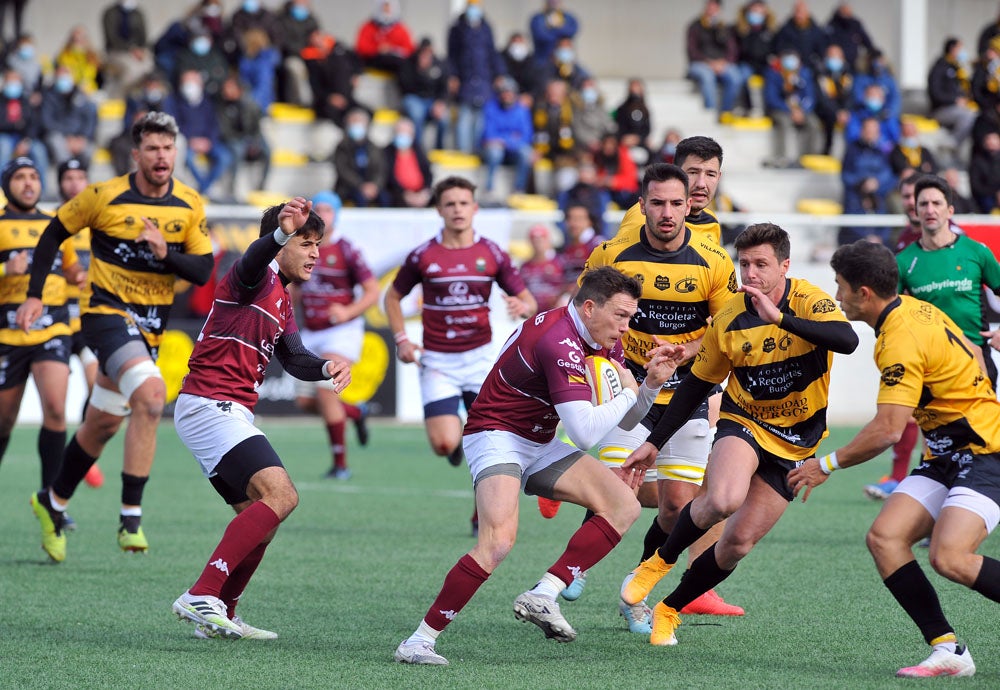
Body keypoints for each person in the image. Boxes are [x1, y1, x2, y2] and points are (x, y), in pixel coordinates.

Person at [393, 266, 685, 666]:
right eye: (620, 315)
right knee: (497, 542)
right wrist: (632, 390)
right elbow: (584, 433)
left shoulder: (603, 339)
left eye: (630, 317)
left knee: (623, 505)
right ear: (588, 307)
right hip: (496, 434)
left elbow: (627, 420)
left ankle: (544, 594)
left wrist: (651, 385)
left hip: (538, 439)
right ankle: (418, 642)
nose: (625, 327)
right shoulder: (558, 340)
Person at [620, 222, 859, 646]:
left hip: (797, 441)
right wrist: (654, 442)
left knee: (738, 544)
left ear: (785, 265)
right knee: (724, 498)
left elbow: (847, 340)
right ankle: (660, 560)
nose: (751, 274)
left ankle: (669, 609)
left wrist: (781, 318)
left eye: (761, 264)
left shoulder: (808, 300)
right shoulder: (729, 315)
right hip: (744, 421)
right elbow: (695, 383)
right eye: (744, 263)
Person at [788, 240, 1000, 678]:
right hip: (945, 454)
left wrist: (824, 465)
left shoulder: (898, 338)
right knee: (885, 538)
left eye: (840, 286)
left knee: (950, 557)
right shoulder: (913, 308)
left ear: (864, 293)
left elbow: (886, 430)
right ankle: (949, 651)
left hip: (986, 453)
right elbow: (975, 352)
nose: (835, 296)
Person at [21, 111, 214, 562]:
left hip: (150, 324)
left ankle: (51, 503)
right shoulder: (103, 195)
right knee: (151, 396)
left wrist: (166, 255)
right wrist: (34, 295)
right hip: (104, 314)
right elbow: (52, 233)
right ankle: (130, 516)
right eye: (153, 148)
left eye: (168, 148)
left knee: (103, 422)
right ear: (136, 154)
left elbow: (203, 271)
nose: (162, 156)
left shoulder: (188, 204)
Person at [172, 198, 353, 640]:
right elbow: (254, 257)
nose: (315, 253)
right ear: (280, 244)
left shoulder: (283, 299)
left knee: (261, 517)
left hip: (223, 409)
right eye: (305, 243)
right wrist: (274, 235)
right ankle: (202, 592)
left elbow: (294, 358)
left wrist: (326, 367)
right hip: (210, 404)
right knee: (282, 496)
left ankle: (222, 615)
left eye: (317, 244)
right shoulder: (249, 276)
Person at [582, 162, 742, 633]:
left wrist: (688, 350)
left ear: (688, 204)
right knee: (616, 490)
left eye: (676, 203)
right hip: (630, 387)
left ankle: (636, 588)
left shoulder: (713, 261)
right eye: (658, 203)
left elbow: (726, 327)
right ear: (643, 204)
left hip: (689, 390)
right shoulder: (613, 256)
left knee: (678, 508)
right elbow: (585, 317)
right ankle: (563, 573)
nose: (668, 212)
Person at [384, 176, 537, 533]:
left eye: (463, 203)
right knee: (444, 443)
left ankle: (478, 513)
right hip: (438, 361)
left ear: (474, 208)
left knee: (489, 439)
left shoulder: (492, 253)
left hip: (482, 359)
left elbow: (528, 300)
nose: (457, 210)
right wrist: (402, 339)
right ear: (439, 210)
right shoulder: (424, 255)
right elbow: (391, 297)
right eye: (450, 204)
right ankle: (456, 445)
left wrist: (521, 304)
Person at [0, 158, 82, 522]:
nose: (29, 183)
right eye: (20, 177)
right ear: (7, 184)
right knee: (3, 421)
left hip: (53, 327)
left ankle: (52, 503)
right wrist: (6, 269)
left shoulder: (54, 222)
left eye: (34, 176)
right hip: (8, 332)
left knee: (54, 407)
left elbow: (68, 267)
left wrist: (77, 274)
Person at [294, 191, 379, 479]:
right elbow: (294, 287)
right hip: (311, 331)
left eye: (329, 210)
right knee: (305, 403)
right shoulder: (302, 246)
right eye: (319, 209)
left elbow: (372, 292)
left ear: (337, 215)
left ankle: (340, 465)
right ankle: (355, 413)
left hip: (341, 332)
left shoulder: (347, 250)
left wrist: (347, 312)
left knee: (325, 387)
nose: (323, 214)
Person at [898, 175, 1000, 388]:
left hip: (977, 362)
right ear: (915, 211)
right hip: (930, 368)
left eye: (937, 203)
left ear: (950, 210)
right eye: (923, 204)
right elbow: (889, 315)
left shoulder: (976, 251)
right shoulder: (902, 261)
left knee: (983, 423)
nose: (930, 210)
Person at [57, 158, 104, 490]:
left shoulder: (98, 224)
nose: (74, 183)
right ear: (60, 183)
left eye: (80, 177)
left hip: (88, 321)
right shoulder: (54, 222)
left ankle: (81, 453)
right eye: (68, 177)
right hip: (57, 319)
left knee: (95, 388)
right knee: (54, 404)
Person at [616, 135, 726, 246]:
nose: (701, 184)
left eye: (710, 174)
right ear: (675, 172)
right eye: (693, 172)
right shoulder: (643, 216)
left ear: (718, 177)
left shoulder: (712, 222)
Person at [446, 0, 506, 153]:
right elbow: (452, 56)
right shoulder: (457, 28)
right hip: (465, 79)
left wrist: (499, 74)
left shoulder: (486, 28)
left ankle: (476, 152)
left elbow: (492, 53)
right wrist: (453, 75)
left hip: (483, 80)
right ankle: (464, 153)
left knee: (480, 121)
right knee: (464, 119)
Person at [839, 116, 896, 245]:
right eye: (867, 129)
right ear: (861, 130)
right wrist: (862, 183)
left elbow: (890, 175)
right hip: (855, 198)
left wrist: (877, 183)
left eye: (874, 130)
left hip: (879, 196)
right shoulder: (852, 150)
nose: (870, 133)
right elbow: (845, 175)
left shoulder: (885, 151)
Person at [763, 48, 822, 169]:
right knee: (784, 122)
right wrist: (789, 110)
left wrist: (802, 111)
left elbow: (810, 96)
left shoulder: (804, 73)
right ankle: (782, 158)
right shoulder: (773, 73)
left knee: (814, 124)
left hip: (801, 110)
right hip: (780, 109)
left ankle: (807, 158)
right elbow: (772, 98)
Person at [685, 0, 744, 120]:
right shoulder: (695, 26)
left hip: (722, 64)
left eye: (715, 8)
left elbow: (732, 49)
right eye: (709, 7)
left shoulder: (724, 28)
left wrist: (723, 62)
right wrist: (709, 63)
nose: (711, 10)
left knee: (736, 77)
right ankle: (710, 114)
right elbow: (692, 51)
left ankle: (726, 112)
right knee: (707, 76)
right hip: (701, 64)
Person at [481, 76, 534, 196]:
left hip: (512, 149)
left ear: (515, 94)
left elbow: (526, 136)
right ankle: (489, 188)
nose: (506, 96)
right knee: (495, 152)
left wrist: (505, 141)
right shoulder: (490, 108)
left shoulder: (522, 110)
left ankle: (518, 189)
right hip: (494, 149)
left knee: (526, 153)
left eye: (509, 93)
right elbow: (489, 134)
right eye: (504, 93)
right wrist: (511, 137)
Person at [927, 37, 977, 151]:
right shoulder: (939, 68)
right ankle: (952, 143)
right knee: (968, 116)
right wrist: (954, 100)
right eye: (960, 48)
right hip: (942, 109)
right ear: (952, 49)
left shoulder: (958, 68)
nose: (962, 52)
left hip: (959, 108)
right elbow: (935, 93)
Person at [333, 108, 388, 208]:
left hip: (372, 186)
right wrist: (361, 185)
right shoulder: (342, 147)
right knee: (360, 198)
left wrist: (375, 186)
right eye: (353, 122)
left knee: (386, 198)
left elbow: (380, 170)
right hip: (348, 187)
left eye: (359, 122)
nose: (356, 125)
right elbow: (343, 170)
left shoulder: (374, 147)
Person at [383, 117, 434, 208]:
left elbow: (428, 173)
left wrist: (424, 193)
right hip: (399, 194)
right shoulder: (387, 152)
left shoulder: (419, 150)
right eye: (400, 132)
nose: (403, 135)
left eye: (406, 133)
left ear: (412, 135)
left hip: (421, 193)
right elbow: (389, 177)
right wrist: (405, 194)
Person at [354, 0, 414, 75]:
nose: (386, 9)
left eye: (388, 6)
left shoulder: (401, 29)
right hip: (374, 60)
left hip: (396, 63)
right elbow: (360, 47)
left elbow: (409, 49)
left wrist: (392, 49)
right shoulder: (368, 27)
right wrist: (377, 49)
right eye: (384, 6)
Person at [518, 224, 565, 313]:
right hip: (534, 312)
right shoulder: (525, 267)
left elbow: (568, 285)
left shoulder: (559, 262)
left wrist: (560, 297)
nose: (538, 243)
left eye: (541, 239)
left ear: (548, 240)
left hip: (555, 311)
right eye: (534, 240)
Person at [529, 0, 579, 68]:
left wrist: (552, 29)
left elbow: (572, 31)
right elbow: (541, 36)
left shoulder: (568, 18)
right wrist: (560, 30)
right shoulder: (538, 18)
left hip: (564, 61)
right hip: (543, 61)